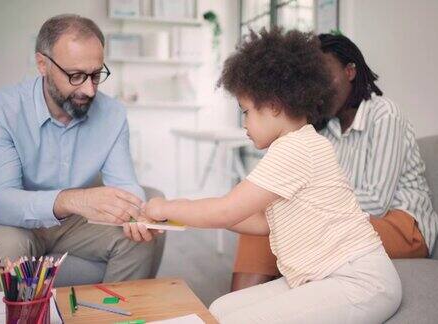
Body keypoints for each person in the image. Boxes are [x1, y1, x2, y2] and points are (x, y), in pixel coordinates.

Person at [135, 28, 402, 323]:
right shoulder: (297, 144)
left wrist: (167, 206)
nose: (244, 124)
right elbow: (263, 221)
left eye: (246, 111)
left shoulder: (296, 149)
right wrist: (178, 218)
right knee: (221, 309)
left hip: (359, 282)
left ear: (273, 106)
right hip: (321, 277)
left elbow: (226, 210)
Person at [0, 14, 164, 293]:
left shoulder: (113, 113)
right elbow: (3, 202)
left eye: (96, 74)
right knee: (10, 249)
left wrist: (137, 213)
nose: (89, 89)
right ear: (42, 64)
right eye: (76, 76)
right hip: (3, 220)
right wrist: (74, 199)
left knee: (137, 239)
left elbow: (125, 183)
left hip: (74, 223)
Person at [231, 32, 438, 291]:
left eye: (325, 75)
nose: (318, 89)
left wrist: (305, 209)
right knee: (264, 224)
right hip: (349, 221)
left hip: (402, 227)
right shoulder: (325, 129)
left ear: (350, 71)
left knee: (280, 224)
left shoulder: (384, 114)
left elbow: (377, 200)